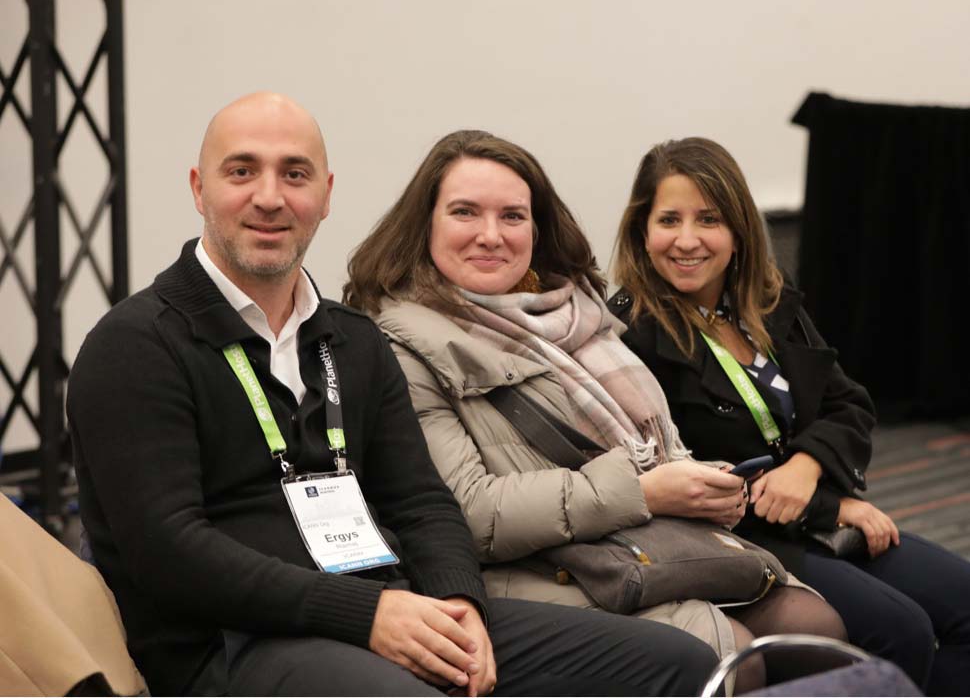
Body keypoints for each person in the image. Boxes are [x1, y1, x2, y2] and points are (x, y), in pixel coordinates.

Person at [66, 94, 721, 697]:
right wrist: (368, 614)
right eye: (242, 172)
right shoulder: (135, 346)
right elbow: (171, 552)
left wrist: (458, 600)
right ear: (198, 188)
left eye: (295, 175)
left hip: (388, 606)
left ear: (325, 195)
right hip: (233, 644)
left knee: (678, 662)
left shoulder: (350, 339)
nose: (270, 197)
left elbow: (420, 500)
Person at [344, 129, 849, 694]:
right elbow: (471, 515)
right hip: (531, 566)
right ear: (426, 223)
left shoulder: (573, 309)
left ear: (536, 229)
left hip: (631, 536)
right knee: (734, 655)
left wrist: (699, 487)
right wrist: (647, 491)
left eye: (512, 216)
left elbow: (663, 445)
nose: (491, 235)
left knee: (817, 632)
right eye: (466, 212)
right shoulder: (399, 342)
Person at [609, 136, 970, 696]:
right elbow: (689, 479)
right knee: (903, 632)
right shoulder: (633, 338)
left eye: (708, 219)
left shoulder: (766, 305)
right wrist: (834, 503)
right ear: (641, 231)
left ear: (738, 232)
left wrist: (807, 465)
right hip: (740, 539)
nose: (686, 240)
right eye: (668, 220)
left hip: (813, 510)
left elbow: (850, 404)